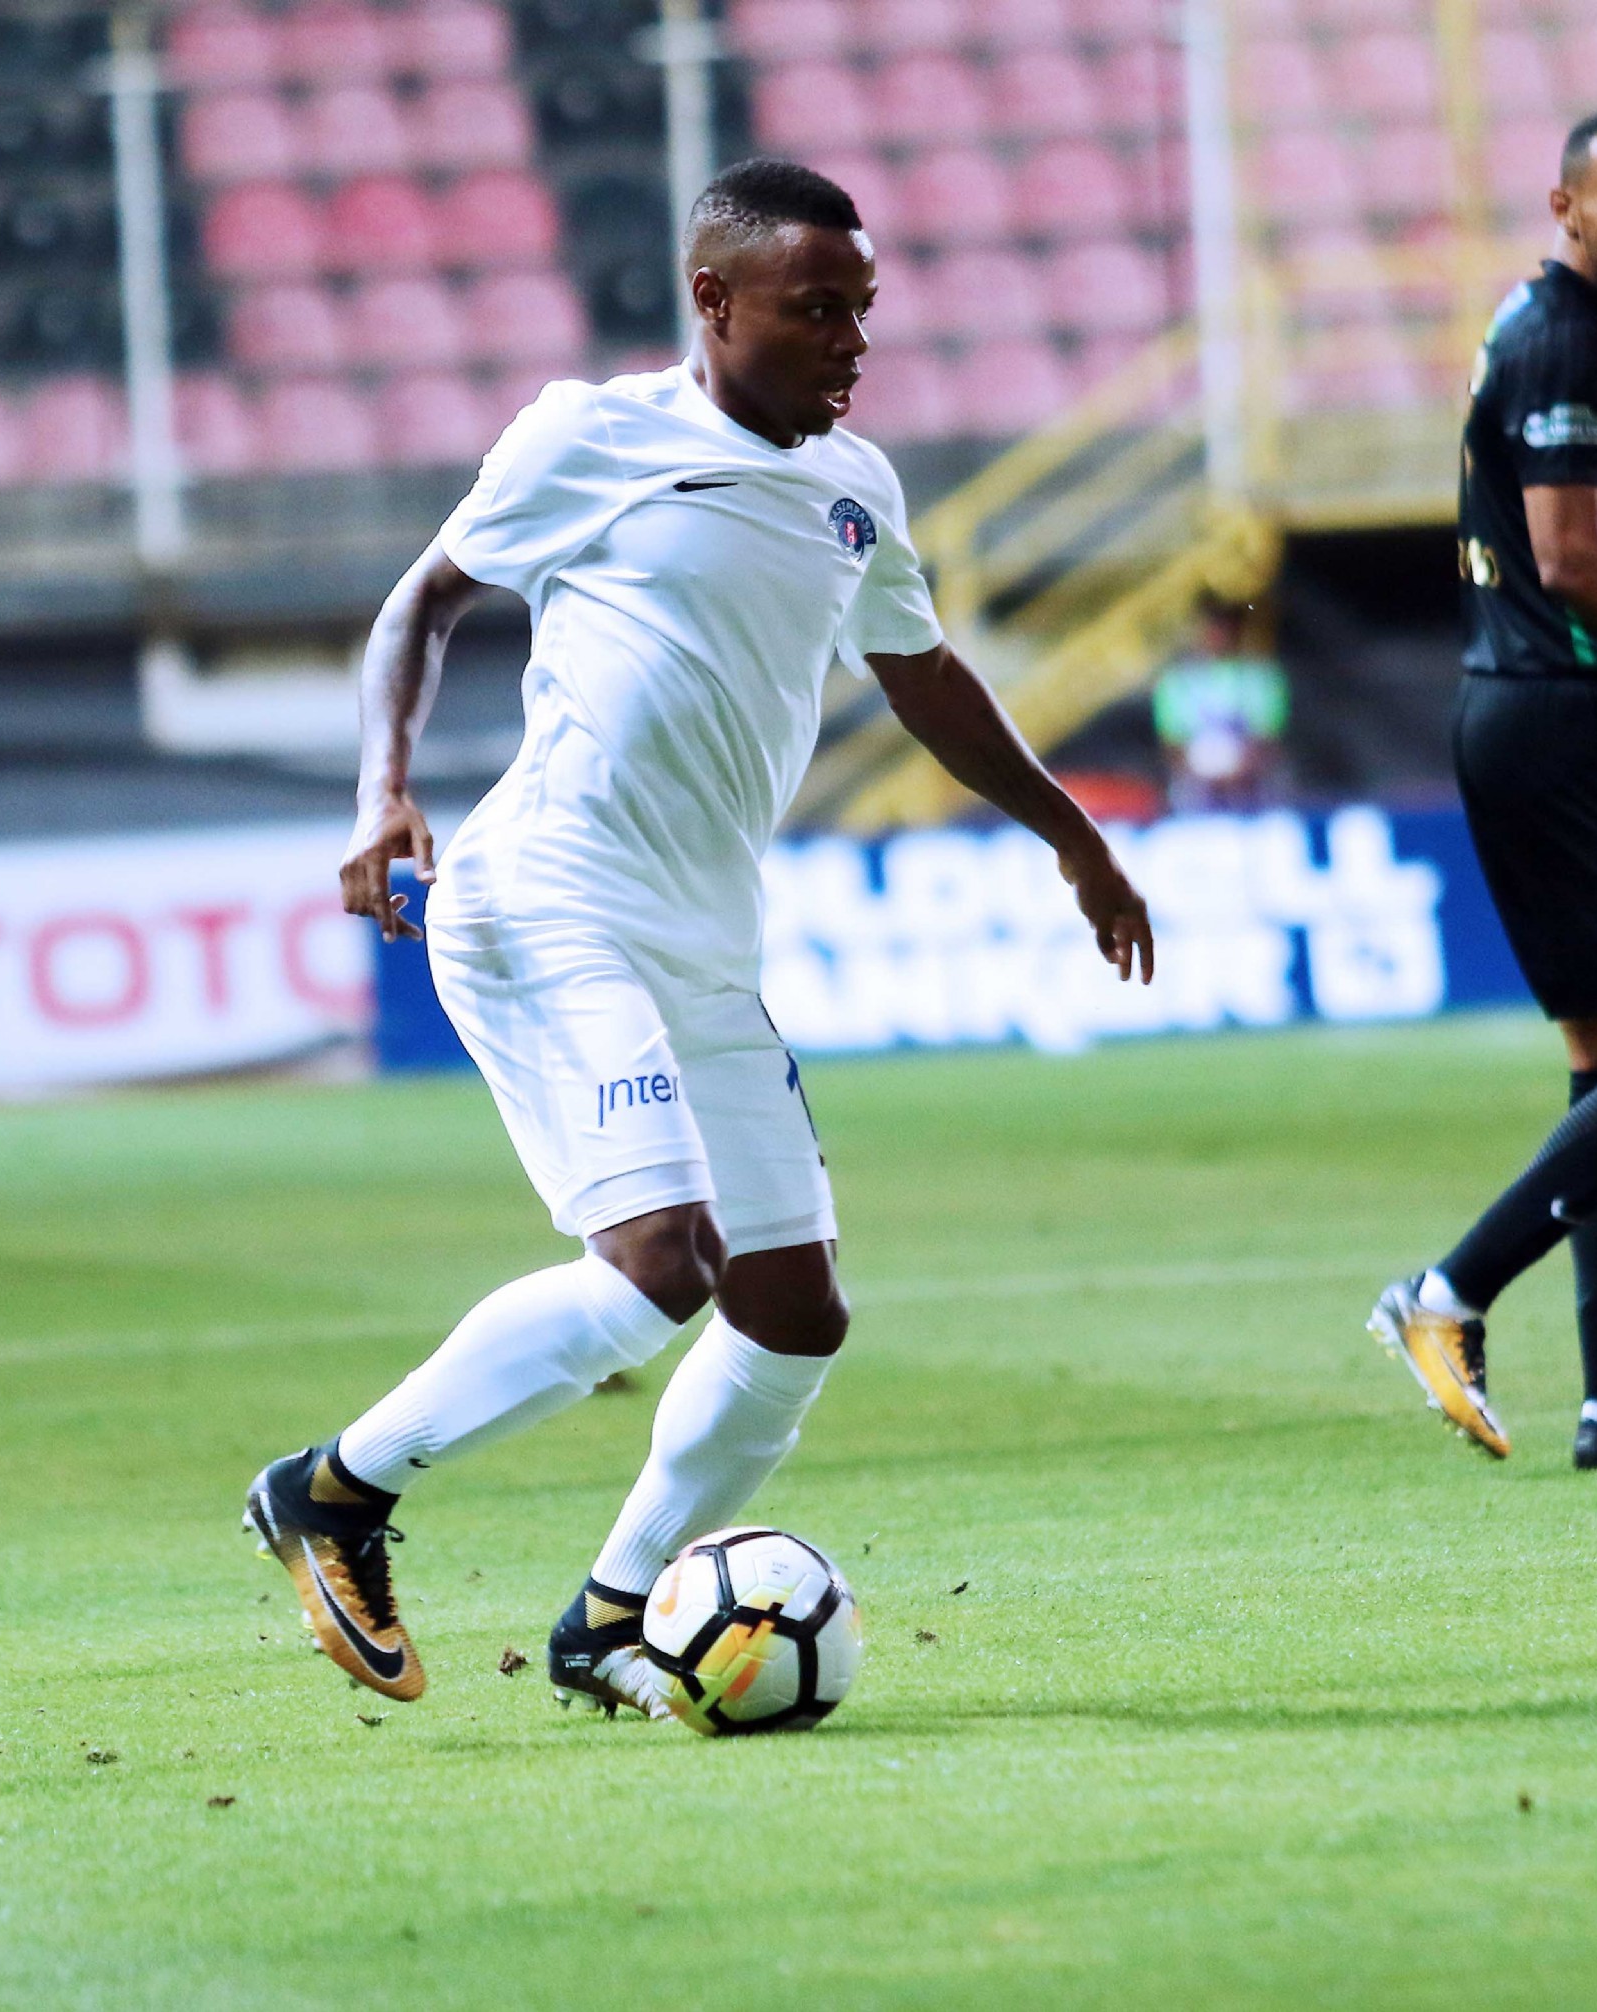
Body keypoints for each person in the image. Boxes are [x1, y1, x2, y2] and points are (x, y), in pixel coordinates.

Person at [243, 160, 1155, 1710]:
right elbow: (423, 605)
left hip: (705, 948)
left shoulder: (856, 487)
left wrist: (1073, 833)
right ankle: (335, 1490)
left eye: (863, 310)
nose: (851, 341)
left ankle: (609, 1616)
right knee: (659, 1264)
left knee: (792, 1312)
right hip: (549, 897)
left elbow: (923, 675)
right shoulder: (592, 436)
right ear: (714, 301)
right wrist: (383, 789)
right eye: (818, 310)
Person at [1370, 109, 1597, 1469]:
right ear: (1566, 206)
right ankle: (1449, 1289)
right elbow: (1571, 560)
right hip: (1572, 722)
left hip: (1511, 714)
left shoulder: (1545, 324)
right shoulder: (1569, 340)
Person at [1151, 597, 1289, 813]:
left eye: (1224, 627)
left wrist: (1236, 774)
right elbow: (1172, 744)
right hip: (1196, 788)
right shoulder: (1176, 681)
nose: (1218, 635)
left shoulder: (1262, 676)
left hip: (1252, 787)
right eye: (1212, 628)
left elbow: (1267, 739)